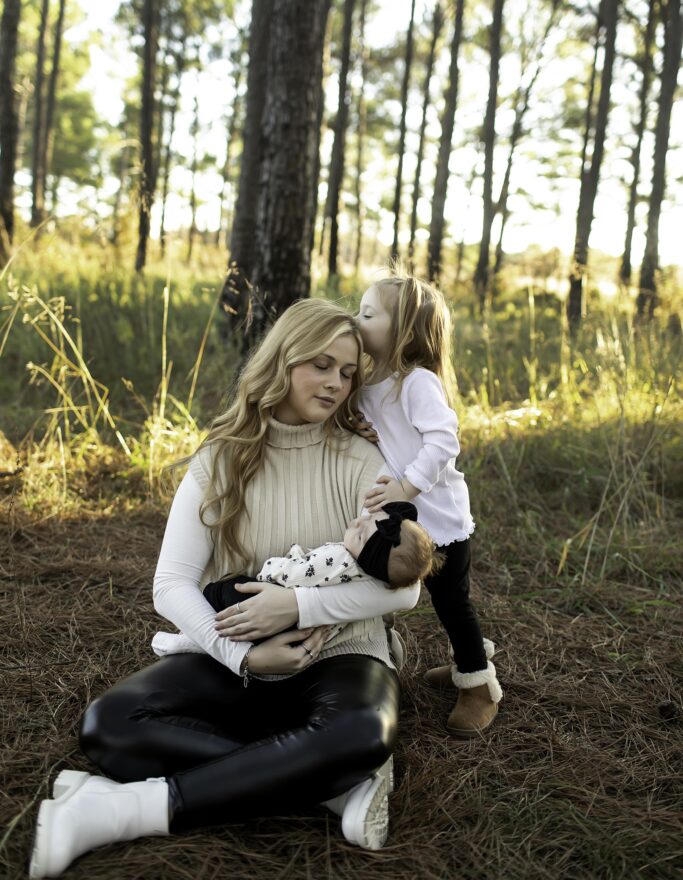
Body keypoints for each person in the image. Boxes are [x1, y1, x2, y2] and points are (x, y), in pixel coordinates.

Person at [30, 299, 421, 879]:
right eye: (321, 365)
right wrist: (241, 654)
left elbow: (404, 592)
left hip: (342, 651)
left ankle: (112, 811)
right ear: (284, 360)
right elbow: (171, 584)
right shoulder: (220, 458)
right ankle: (329, 789)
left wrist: (299, 603)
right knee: (110, 724)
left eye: (347, 372)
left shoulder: (364, 462)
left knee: (362, 732)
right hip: (234, 645)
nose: (336, 383)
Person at [355, 273, 503, 737]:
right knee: (380, 586)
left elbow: (443, 443)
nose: (354, 320)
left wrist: (406, 487)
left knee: (451, 601)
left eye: (367, 314)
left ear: (401, 332)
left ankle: (479, 684)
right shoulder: (367, 381)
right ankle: (461, 656)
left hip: (439, 519)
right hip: (400, 520)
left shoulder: (415, 382)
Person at [152, 501, 436, 659]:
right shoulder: (368, 575)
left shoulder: (338, 559)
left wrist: (277, 566)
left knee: (220, 592)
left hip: (276, 605)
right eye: (368, 519)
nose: (358, 523)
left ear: (367, 557)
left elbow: (293, 574)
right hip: (302, 631)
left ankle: (196, 641)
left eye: (361, 535)